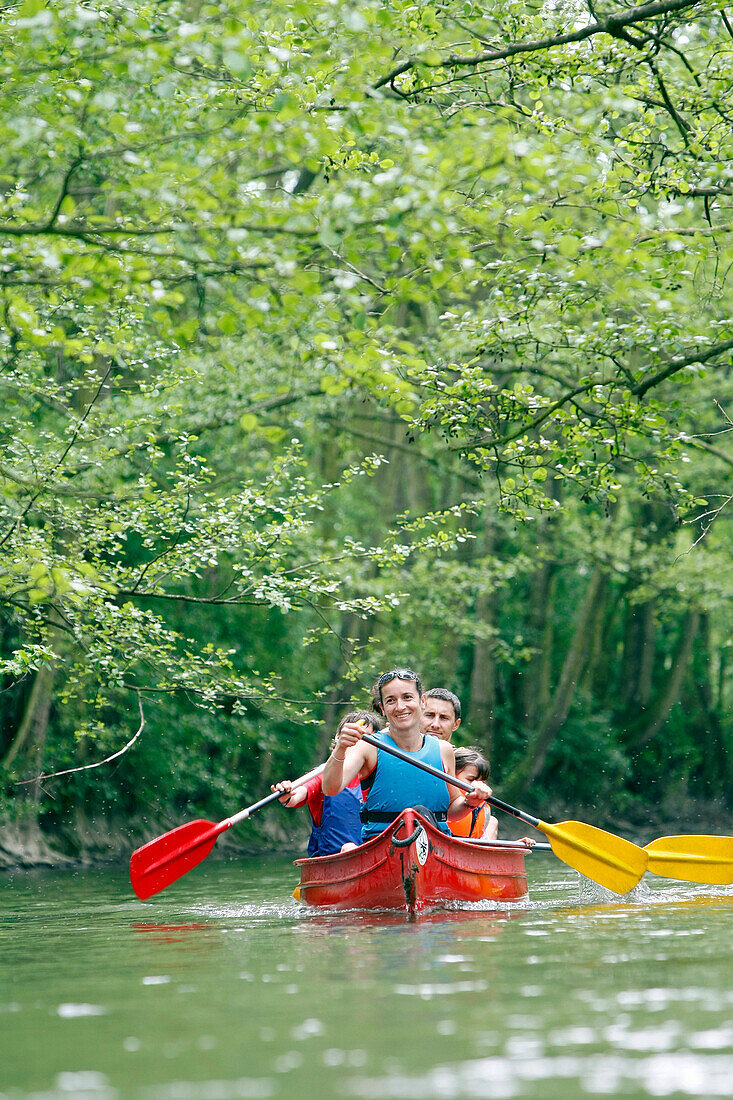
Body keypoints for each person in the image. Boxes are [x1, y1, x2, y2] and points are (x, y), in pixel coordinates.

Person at [322, 667, 491, 841]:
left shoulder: (443, 750)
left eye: (407, 697)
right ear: (382, 708)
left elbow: (451, 811)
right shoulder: (367, 746)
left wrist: (470, 802)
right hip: (382, 846)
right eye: (391, 700)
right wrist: (340, 748)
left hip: (436, 846)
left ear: (422, 700)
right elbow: (330, 788)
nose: (400, 707)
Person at [271, 710, 384, 856]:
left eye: (367, 740)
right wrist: (287, 794)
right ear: (338, 738)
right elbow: (295, 797)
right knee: (349, 848)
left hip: (371, 856)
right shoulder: (322, 776)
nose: (360, 745)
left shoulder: (382, 778)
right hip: (331, 861)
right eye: (355, 736)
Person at [449, 746, 499, 840]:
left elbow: (484, 840)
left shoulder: (483, 805)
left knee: (493, 822)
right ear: (451, 774)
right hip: (444, 845)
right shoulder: (442, 797)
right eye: (470, 779)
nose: (477, 785)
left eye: (482, 781)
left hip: (471, 849)